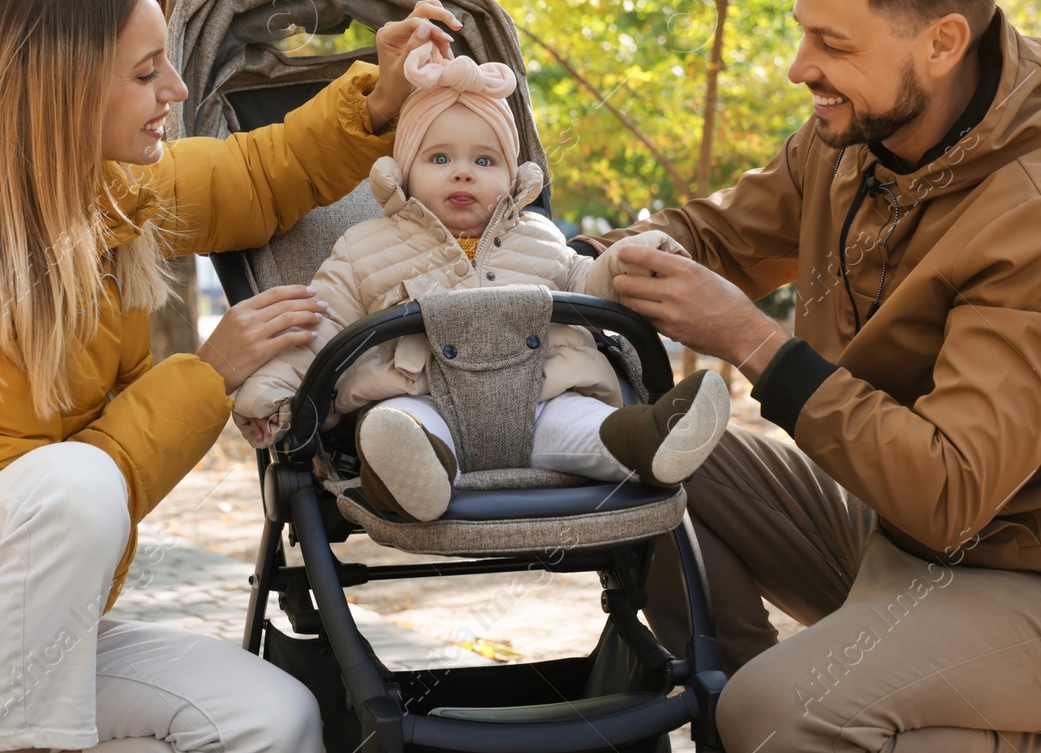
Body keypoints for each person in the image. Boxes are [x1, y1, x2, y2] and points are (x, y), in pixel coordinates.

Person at [0, 0, 452, 753]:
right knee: (71, 485)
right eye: (146, 73)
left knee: (273, 717)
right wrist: (208, 378)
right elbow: (28, 517)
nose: (174, 91)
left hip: (31, 639)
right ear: (57, 91)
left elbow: (257, 173)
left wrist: (380, 100)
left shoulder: (106, 195)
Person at [580, 0, 1041, 753]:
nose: (801, 69)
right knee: (634, 457)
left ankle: (1033, 736)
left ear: (942, 42)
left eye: (833, 42)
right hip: (895, 545)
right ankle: (759, 709)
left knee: (781, 713)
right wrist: (641, 256)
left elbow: (949, 492)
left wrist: (752, 339)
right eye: (802, 34)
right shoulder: (853, 136)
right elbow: (707, 236)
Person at [231, 42, 730, 521]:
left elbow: (588, 285)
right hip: (422, 401)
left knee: (590, 428)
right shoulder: (364, 246)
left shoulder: (539, 236)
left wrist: (629, 261)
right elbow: (318, 325)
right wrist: (271, 395)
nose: (462, 174)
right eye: (440, 159)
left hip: (541, 401)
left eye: (484, 161)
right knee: (396, 426)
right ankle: (411, 479)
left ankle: (650, 442)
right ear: (404, 172)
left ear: (513, 177)